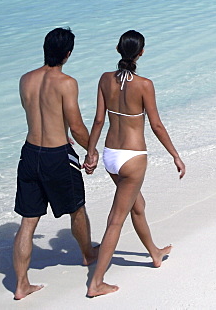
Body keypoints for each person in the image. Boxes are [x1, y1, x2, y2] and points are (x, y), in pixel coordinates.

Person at [85, 30, 186, 298]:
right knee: (116, 220)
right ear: (141, 53)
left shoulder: (105, 79)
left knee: (137, 206)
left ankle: (154, 253)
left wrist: (91, 152)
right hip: (132, 157)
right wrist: (175, 155)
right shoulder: (144, 84)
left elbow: (97, 120)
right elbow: (156, 125)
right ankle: (96, 283)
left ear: (118, 49)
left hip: (110, 155)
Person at [12, 27, 99, 300]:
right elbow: (76, 126)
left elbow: (40, 112)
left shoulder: (25, 80)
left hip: (29, 154)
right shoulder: (66, 82)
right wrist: (92, 151)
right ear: (68, 54)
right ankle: (87, 254)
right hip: (57, 156)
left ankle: (21, 285)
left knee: (28, 222)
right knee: (77, 209)